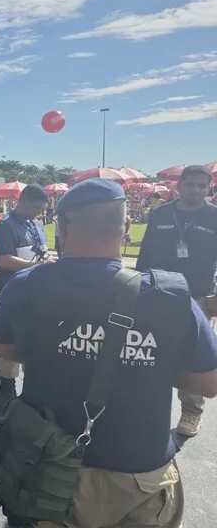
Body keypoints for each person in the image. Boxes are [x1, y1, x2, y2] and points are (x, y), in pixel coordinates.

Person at [0, 179, 217, 528]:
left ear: (62, 227)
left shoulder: (28, 285)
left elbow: (1, 347)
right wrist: (145, 362)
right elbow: (208, 382)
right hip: (139, 480)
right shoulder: (169, 296)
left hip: (48, 469)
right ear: (125, 228)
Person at [137, 164, 217, 437]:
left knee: (193, 355)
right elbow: (144, 255)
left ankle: (192, 412)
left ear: (208, 188)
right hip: (157, 295)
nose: (196, 190)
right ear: (179, 186)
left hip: (198, 297)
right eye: (191, 184)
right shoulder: (160, 215)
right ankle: (147, 406)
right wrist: (136, 287)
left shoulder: (214, 217)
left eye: (202, 186)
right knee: (150, 352)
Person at [0, 184, 53, 411]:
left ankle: (33, 389)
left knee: (35, 341)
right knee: (10, 340)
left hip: (39, 293)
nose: (39, 212)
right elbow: (5, 260)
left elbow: (41, 251)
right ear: (23, 200)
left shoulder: (36, 225)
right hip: (14, 292)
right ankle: (6, 387)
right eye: (36, 207)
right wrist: (35, 265)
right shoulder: (5, 226)